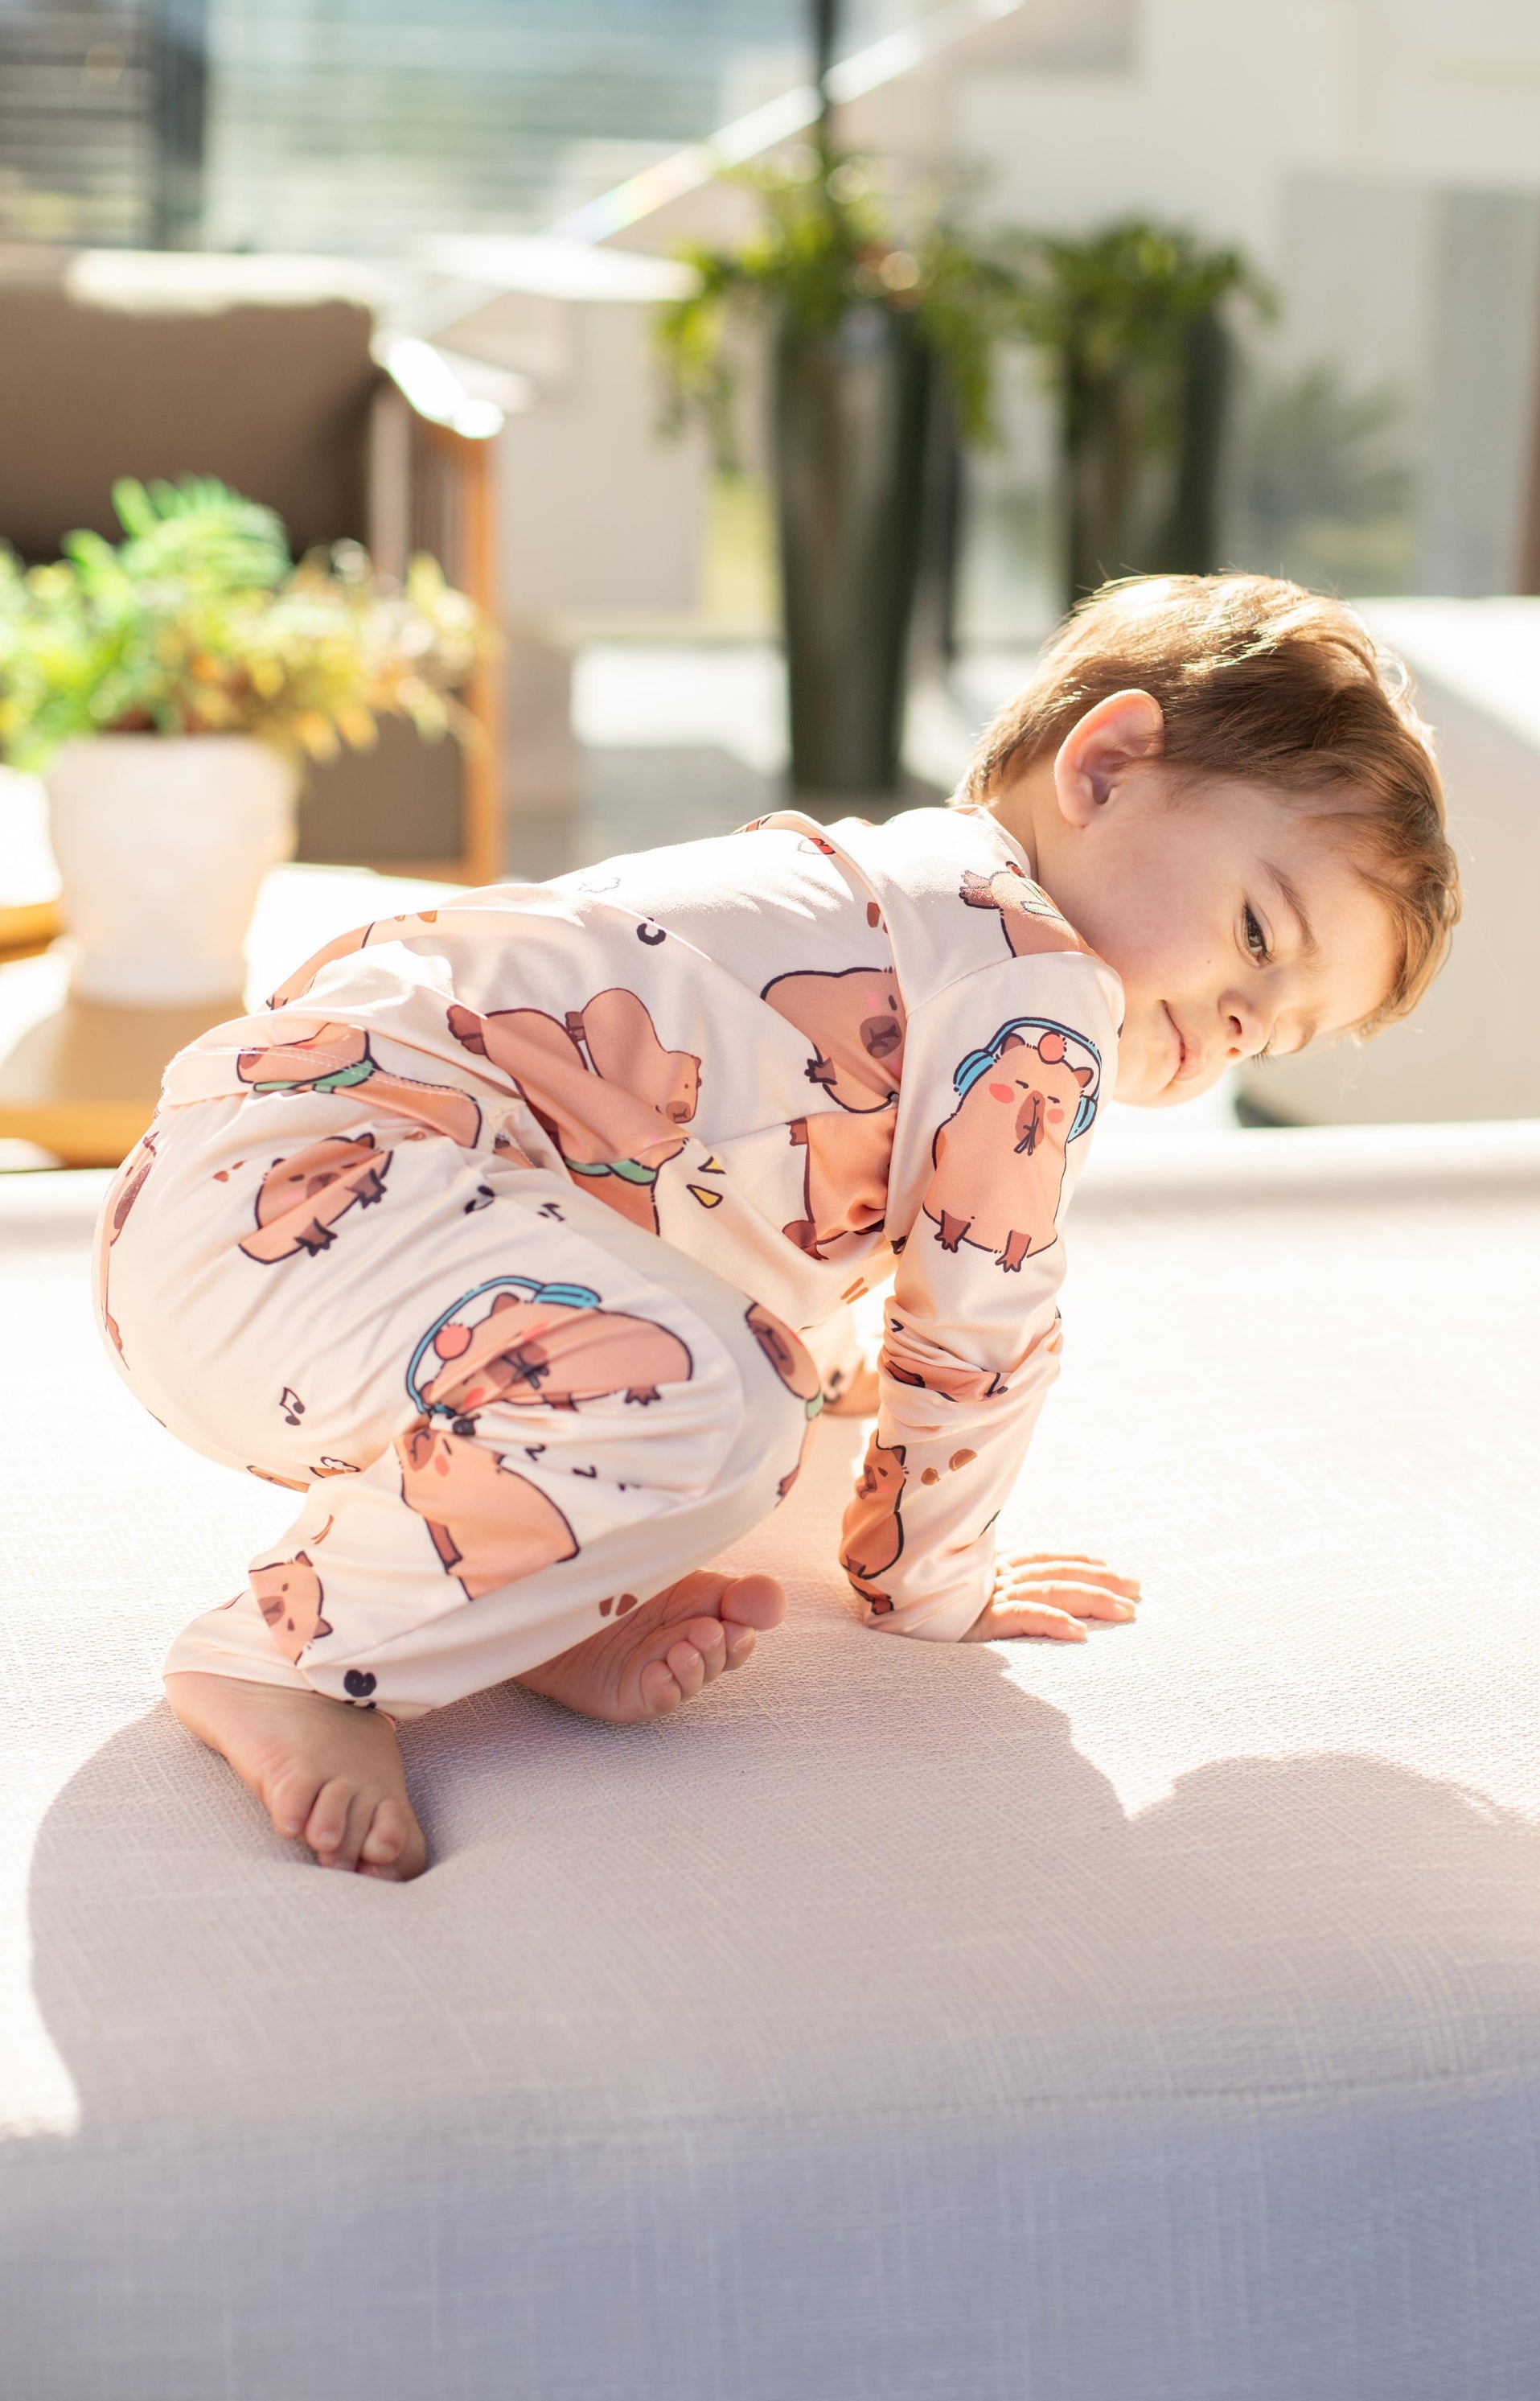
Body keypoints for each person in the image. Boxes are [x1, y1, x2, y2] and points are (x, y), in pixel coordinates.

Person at [95, 575, 1459, 1881]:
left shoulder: (897, 899)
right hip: (324, 1197)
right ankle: (287, 1655)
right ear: (1103, 770)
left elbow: (731, 1208)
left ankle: (527, 1609)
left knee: (768, 1374)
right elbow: (982, 1311)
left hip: (233, 1213)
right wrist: (931, 1575)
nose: (1231, 1022)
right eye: (1257, 938)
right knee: (733, 1401)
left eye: (1267, 1028)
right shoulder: (1038, 986)